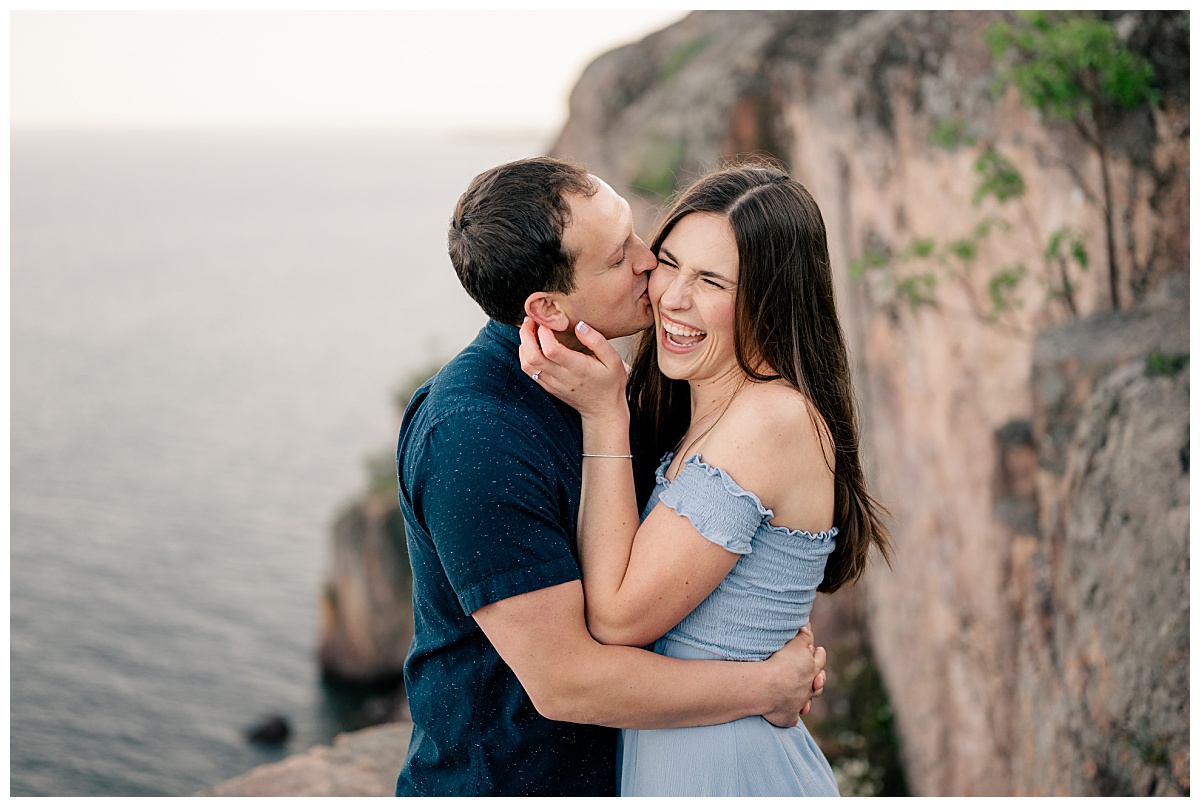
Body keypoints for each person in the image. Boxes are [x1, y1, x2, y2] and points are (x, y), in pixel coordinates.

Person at [394, 157, 828, 797]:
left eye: (635, 232)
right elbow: (566, 680)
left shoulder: (623, 389)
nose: (647, 262)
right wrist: (765, 684)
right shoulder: (475, 437)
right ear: (547, 306)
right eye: (618, 256)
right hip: (513, 783)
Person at [518, 160, 893, 796]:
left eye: (712, 280)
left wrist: (604, 415)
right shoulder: (707, 411)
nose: (671, 296)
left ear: (771, 300)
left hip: (733, 773)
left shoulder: (771, 420)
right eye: (669, 262)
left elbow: (615, 619)